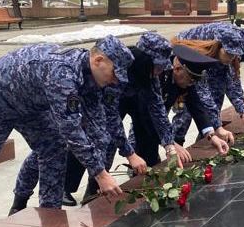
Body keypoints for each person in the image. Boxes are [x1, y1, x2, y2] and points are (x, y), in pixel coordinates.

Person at [0, 35, 134, 227]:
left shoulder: (91, 79)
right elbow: (71, 130)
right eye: (114, 73)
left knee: (53, 149)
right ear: (98, 60)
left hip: (29, 107)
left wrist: (126, 155)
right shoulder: (62, 73)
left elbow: (99, 127)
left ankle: (50, 220)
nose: (115, 80)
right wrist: (100, 174)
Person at [11, 32, 184, 210]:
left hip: (88, 102)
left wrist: (168, 144)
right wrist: (127, 155)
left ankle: (94, 192)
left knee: (101, 141)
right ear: (146, 61)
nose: (161, 72)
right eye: (158, 66)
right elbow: (103, 118)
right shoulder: (112, 69)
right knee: (52, 145)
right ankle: (24, 198)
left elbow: (152, 109)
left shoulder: (145, 75)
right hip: (49, 103)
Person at [171, 23, 244, 144]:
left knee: (216, 98)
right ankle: (176, 142)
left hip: (213, 60)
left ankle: (207, 138)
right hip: (187, 56)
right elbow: (212, 90)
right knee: (189, 106)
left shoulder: (235, 51)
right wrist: (239, 115)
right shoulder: (231, 41)